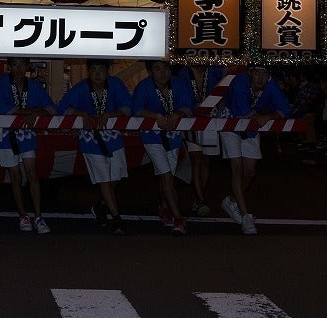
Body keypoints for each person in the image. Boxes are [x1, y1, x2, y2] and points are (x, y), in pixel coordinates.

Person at [58, 58, 133, 235]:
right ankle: (116, 218)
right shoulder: (81, 88)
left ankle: (100, 206)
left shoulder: (115, 84)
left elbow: (128, 107)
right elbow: (62, 107)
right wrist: (80, 113)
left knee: (115, 178)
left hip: (113, 137)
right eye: (93, 70)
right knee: (104, 179)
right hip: (90, 139)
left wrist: (111, 114)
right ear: (88, 72)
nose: (97, 74)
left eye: (101, 69)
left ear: (108, 71)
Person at [219, 65, 290, 235]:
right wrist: (262, 117)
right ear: (250, 73)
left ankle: (231, 201)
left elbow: (285, 109)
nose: (260, 78)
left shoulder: (271, 85)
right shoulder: (240, 81)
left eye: (264, 74)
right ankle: (246, 216)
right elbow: (243, 109)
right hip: (230, 122)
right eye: (256, 73)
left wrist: (268, 116)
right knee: (237, 168)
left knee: (250, 173)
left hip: (251, 128)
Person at [0, 55, 56, 234]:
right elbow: (0, 107)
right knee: (15, 176)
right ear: (9, 66)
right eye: (15, 64)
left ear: (27, 65)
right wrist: (31, 111)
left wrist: (35, 113)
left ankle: (38, 216)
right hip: (6, 135)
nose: (19, 68)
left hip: (26, 134)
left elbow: (51, 108)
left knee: (32, 174)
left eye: (22, 64)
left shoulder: (34, 86)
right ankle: (23, 215)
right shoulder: (2, 82)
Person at [132, 59, 195, 235]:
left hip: (173, 137)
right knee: (166, 175)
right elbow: (135, 109)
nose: (163, 73)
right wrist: (155, 116)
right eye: (157, 69)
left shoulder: (178, 84)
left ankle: (164, 207)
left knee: (167, 176)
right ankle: (178, 217)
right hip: (151, 137)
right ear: (150, 72)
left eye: (166, 68)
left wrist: (178, 113)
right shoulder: (144, 87)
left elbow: (188, 106)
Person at [176, 62, 224, 217]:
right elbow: (182, 96)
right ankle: (201, 199)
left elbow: (227, 79)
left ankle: (198, 198)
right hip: (191, 119)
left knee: (206, 162)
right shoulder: (184, 72)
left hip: (210, 120)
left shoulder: (215, 69)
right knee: (196, 160)